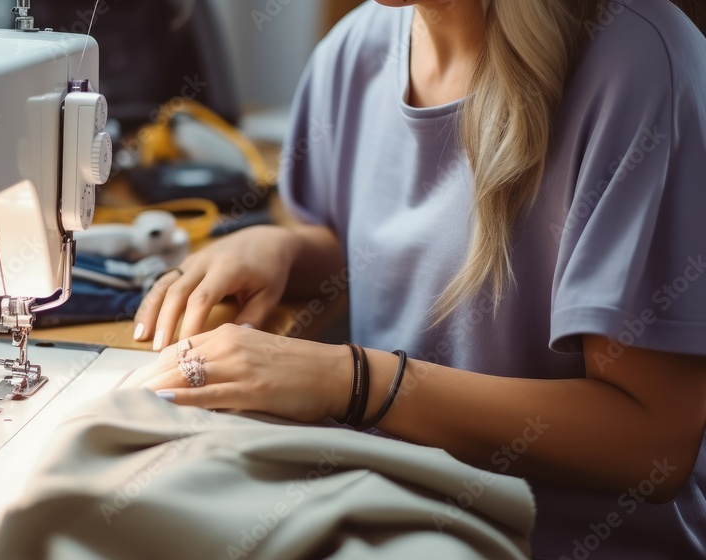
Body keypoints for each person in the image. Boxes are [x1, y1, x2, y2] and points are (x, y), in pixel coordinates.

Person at [126, 0, 706, 558]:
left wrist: (352, 380)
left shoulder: (643, 63)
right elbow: (376, 245)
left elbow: (649, 439)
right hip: (392, 512)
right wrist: (280, 248)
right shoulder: (356, 50)